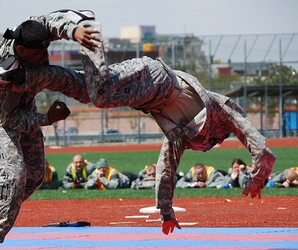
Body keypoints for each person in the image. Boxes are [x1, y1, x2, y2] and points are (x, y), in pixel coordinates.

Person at [76, 15, 276, 235]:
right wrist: (258, 177)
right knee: (101, 95)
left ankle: (45, 73)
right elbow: (257, 143)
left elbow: (166, 170)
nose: (215, 141)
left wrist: (166, 213)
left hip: (146, 95)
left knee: (91, 92)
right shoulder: (221, 110)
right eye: (215, 139)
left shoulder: (179, 136)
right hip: (158, 79)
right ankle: (87, 30)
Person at [0, 9, 101, 250]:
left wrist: (74, 30)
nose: (44, 57)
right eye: (38, 53)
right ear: (21, 50)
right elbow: (10, 119)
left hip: (26, 108)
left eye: (46, 50)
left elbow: (51, 20)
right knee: (13, 175)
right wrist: (48, 119)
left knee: (35, 175)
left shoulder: (31, 32)